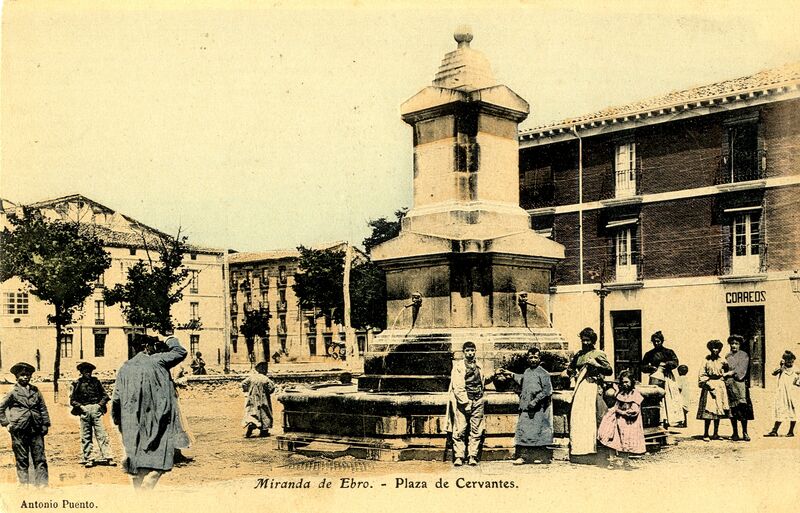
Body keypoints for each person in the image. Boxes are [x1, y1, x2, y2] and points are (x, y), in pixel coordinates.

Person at [112, 334, 188, 490]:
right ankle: (148, 486)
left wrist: (119, 420)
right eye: (153, 345)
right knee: (160, 455)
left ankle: (139, 494)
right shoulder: (158, 360)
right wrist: (170, 339)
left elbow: (116, 398)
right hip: (158, 419)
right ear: (147, 346)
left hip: (131, 421)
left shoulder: (125, 367)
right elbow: (180, 352)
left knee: (137, 459)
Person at [445, 341, 497, 467]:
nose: (470, 353)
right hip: (463, 402)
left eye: (472, 350)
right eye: (467, 351)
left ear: (475, 351)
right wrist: (465, 403)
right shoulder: (458, 367)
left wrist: (493, 375)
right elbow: (457, 387)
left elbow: (482, 380)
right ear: (463, 352)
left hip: (478, 399)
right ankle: (459, 456)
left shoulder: (479, 365)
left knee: (476, 429)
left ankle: (472, 455)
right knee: (460, 429)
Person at [566, 327, 613, 464]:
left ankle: (594, 450)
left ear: (593, 341)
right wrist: (573, 373)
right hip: (581, 388)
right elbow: (570, 368)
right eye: (583, 340)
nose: (585, 343)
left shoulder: (598, 354)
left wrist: (596, 364)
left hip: (592, 387)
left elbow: (609, 370)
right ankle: (579, 450)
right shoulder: (579, 354)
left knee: (592, 417)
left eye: (588, 340)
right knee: (579, 417)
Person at [501, 346, 553, 465]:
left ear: (539, 359)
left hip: (538, 408)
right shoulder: (527, 371)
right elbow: (522, 380)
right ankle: (523, 457)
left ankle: (539, 456)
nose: (533, 360)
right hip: (525, 407)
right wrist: (510, 374)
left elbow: (547, 390)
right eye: (531, 357)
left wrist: (536, 401)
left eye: (535, 357)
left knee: (537, 432)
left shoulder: (544, 373)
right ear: (527, 359)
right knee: (524, 431)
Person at [0, 362, 50, 487]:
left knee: (39, 457)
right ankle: (24, 484)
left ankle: (42, 484)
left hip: (36, 428)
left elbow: (42, 408)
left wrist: (45, 424)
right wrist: (6, 423)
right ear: (16, 377)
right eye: (22, 375)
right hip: (19, 429)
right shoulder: (13, 392)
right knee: (22, 458)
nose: (25, 377)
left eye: (28, 375)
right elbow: (1, 408)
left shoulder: (35, 390)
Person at [597, 370, 646, 470]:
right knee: (612, 440)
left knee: (626, 441)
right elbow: (616, 406)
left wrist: (623, 412)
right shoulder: (621, 393)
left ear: (632, 382)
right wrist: (617, 411)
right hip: (617, 421)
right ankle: (612, 461)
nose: (625, 384)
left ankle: (625, 461)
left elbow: (634, 411)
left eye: (627, 382)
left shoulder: (635, 394)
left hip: (628, 422)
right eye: (623, 382)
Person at [70, 361, 115, 467]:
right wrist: (81, 407)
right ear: (81, 372)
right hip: (84, 411)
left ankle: (108, 457)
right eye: (86, 372)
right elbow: (72, 400)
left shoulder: (96, 382)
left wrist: (99, 405)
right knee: (86, 435)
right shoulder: (77, 384)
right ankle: (89, 458)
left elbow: (105, 396)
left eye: (90, 372)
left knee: (101, 434)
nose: (88, 374)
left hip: (96, 410)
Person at [640, 331, 683, 428]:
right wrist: (651, 368)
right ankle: (658, 420)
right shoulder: (649, 354)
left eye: (658, 341)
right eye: (654, 341)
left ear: (662, 341)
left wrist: (667, 364)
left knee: (668, 397)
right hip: (655, 377)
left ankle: (668, 420)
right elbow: (642, 366)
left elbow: (675, 362)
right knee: (655, 396)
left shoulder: (669, 352)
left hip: (667, 378)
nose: (656, 343)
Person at [697, 339, 729, 441]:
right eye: (713, 348)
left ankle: (716, 433)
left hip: (719, 385)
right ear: (710, 349)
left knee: (718, 410)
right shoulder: (706, 361)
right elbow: (702, 374)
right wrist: (708, 384)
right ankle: (706, 433)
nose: (715, 350)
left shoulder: (723, 361)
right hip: (709, 385)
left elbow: (726, 372)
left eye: (717, 348)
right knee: (709, 410)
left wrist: (723, 378)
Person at [724, 334, 753, 441]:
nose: (734, 345)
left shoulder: (744, 355)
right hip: (730, 385)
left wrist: (730, 373)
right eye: (732, 343)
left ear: (740, 345)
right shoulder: (727, 356)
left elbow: (742, 370)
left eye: (736, 343)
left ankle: (745, 432)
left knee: (742, 408)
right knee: (732, 409)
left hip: (740, 385)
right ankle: (735, 432)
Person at [764, 351, 800, 437]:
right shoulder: (782, 369)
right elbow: (773, 373)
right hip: (782, 393)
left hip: (792, 393)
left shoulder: (796, 370)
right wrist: (780, 366)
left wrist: (797, 381)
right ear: (784, 360)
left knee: (793, 410)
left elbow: (798, 382)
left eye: (791, 360)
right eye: (787, 360)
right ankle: (774, 431)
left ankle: (791, 431)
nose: (790, 362)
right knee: (780, 410)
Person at [242, 361, 277, 438]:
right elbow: (271, 388)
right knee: (265, 414)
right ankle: (264, 431)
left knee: (253, 413)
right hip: (264, 399)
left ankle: (250, 428)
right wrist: (267, 392)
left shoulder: (252, 377)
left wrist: (249, 390)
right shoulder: (266, 379)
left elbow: (244, 384)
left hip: (253, 399)